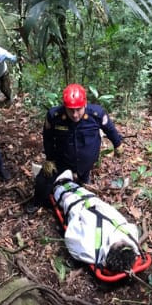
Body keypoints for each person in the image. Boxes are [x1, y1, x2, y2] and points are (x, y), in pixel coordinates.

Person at [25, 83, 123, 214]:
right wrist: (49, 159)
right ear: (64, 106)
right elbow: (48, 137)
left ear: (85, 104)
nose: (75, 114)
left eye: (78, 109)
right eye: (71, 110)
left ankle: (80, 188)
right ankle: (37, 202)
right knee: (43, 181)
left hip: (86, 162)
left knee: (81, 186)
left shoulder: (96, 114)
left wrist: (118, 144)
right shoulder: (54, 116)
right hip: (62, 159)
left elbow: (110, 129)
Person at [53, 169, 141, 272]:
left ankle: (61, 180)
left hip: (73, 200)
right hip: (88, 201)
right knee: (72, 192)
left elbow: (70, 239)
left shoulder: (91, 251)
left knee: (62, 189)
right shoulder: (130, 236)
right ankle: (65, 181)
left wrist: (80, 216)